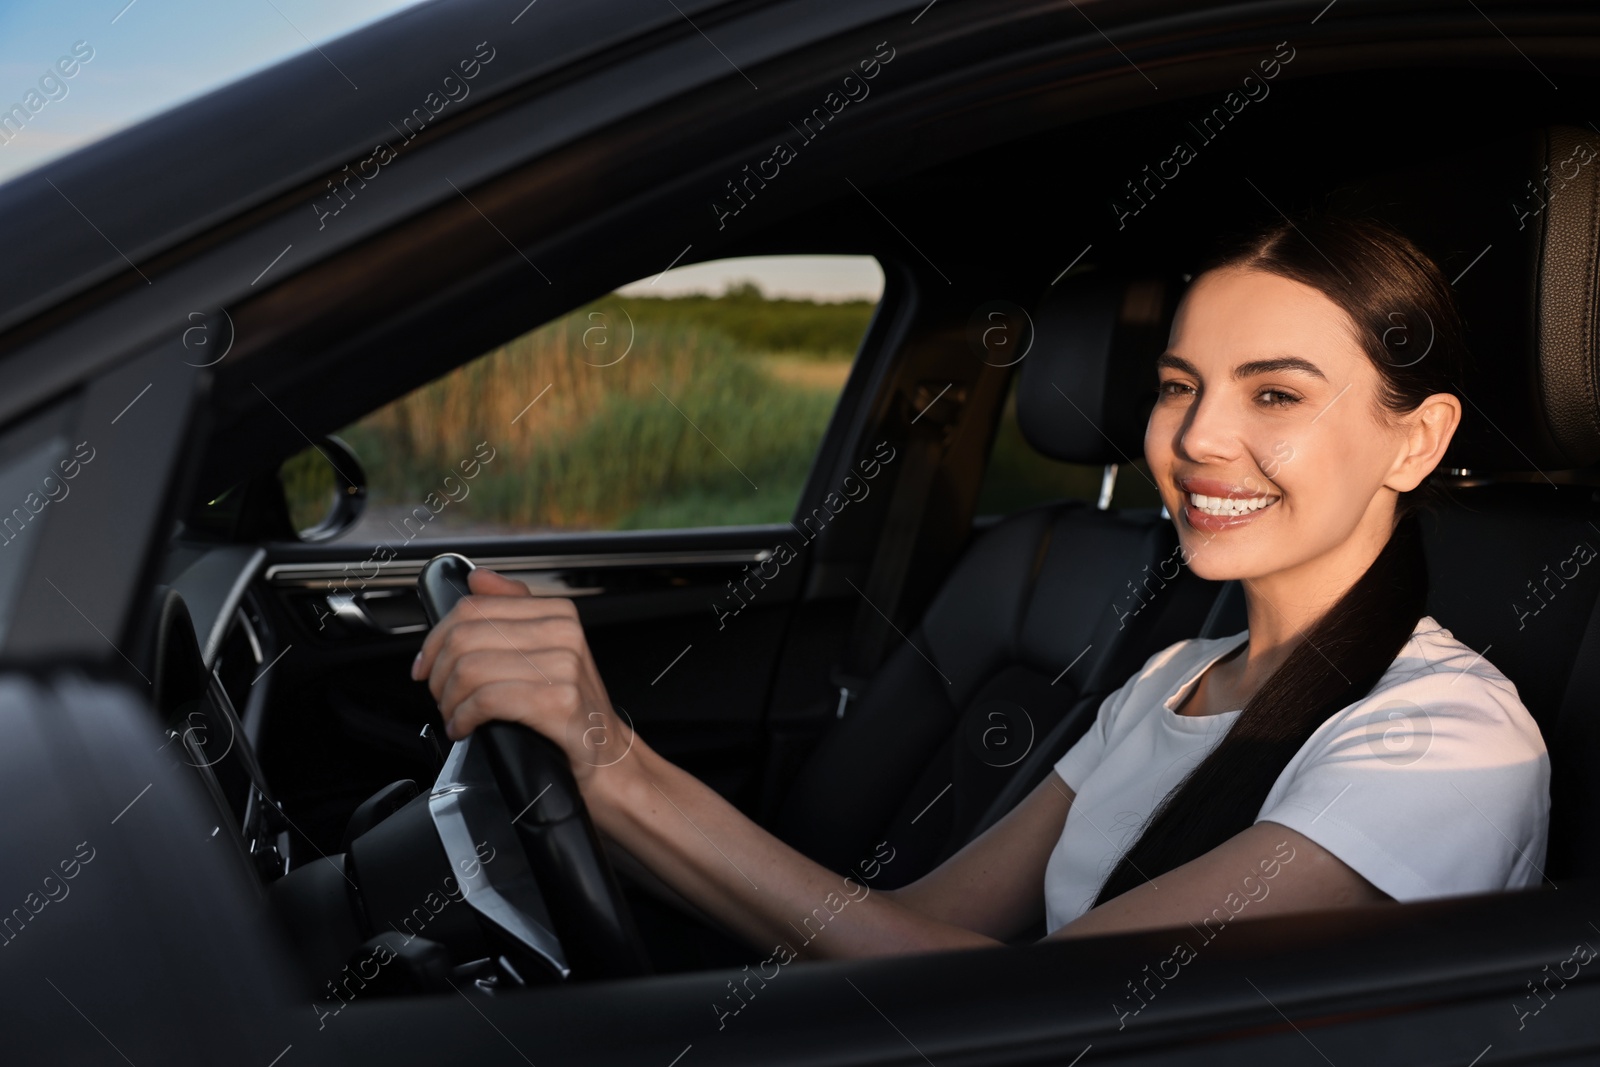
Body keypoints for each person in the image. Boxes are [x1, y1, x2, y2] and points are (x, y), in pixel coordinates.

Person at [410, 214, 1550, 958]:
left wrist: (617, 768)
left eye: (1274, 395)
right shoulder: (1170, 674)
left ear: (1414, 440)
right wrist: (609, 783)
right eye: (1176, 385)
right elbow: (926, 933)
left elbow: (1052, 1011)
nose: (1197, 438)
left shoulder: (1442, 739)